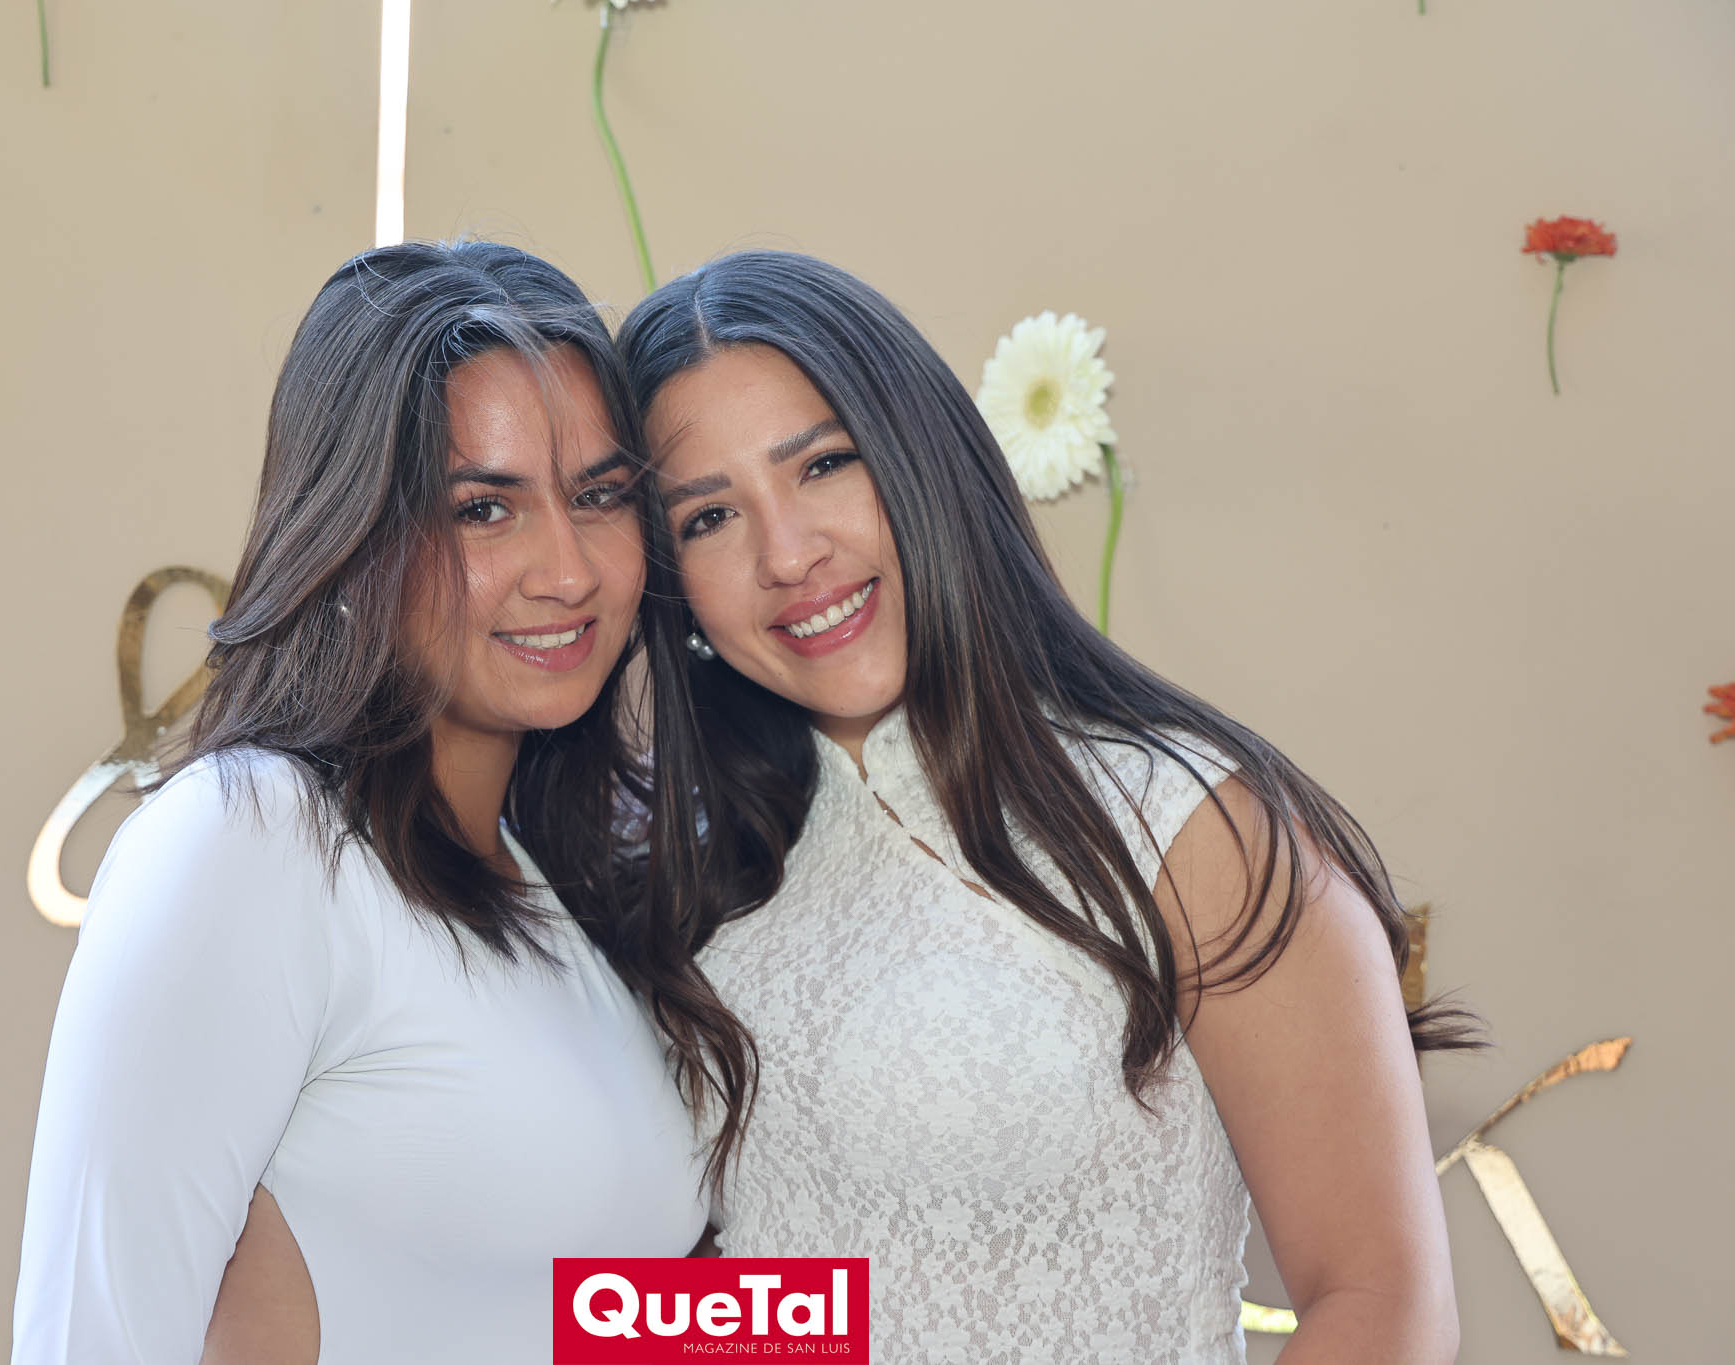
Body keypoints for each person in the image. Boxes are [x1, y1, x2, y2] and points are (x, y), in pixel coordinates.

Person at [618, 251, 1479, 1365]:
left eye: (823, 464)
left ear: (925, 460)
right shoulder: (686, 880)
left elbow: (1380, 1302)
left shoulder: (1187, 822)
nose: (786, 554)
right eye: (706, 518)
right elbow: (773, 1297)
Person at [11, 241, 749, 1365]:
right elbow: (90, 1342)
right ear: (351, 534)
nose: (568, 570)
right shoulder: (249, 840)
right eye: (482, 509)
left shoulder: (547, 876)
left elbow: (590, 1322)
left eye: (598, 496)